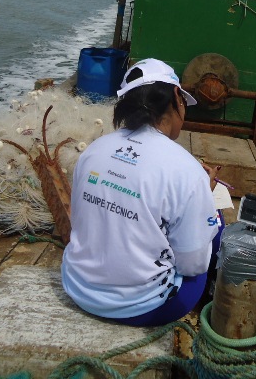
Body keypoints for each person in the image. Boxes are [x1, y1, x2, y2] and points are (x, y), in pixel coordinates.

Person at [62, 58, 222, 326]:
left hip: (77, 287)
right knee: (216, 223)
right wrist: (204, 198)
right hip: (141, 308)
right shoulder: (187, 170)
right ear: (176, 96)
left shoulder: (94, 150)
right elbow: (193, 265)